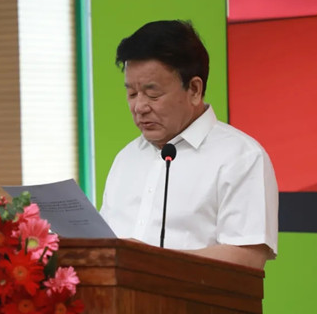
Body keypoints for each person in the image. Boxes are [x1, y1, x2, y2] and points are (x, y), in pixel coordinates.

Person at [100, 20, 278, 269]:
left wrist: (149, 262)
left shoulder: (241, 157)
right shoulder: (126, 158)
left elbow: (247, 258)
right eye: (131, 93)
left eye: (152, 93)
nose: (139, 106)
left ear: (194, 89)